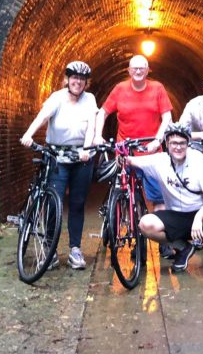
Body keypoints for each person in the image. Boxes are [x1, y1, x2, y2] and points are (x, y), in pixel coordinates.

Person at [129, 123, 203, 282]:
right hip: (177, 218)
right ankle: (183, 248)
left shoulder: (197, 159)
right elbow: (131, 161)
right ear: (167, 144)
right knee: (145, 223)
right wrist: (120, 157)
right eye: (174, 143)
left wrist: (199, 217)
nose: (178, 147)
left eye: (182, 143)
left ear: (188, 143)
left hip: (202, 216)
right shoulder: (159, 160)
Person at [20, 60, 97, 270]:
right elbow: (43, 116)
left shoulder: (89, 99)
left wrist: (87, 149)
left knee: (78, 203)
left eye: (82, 79)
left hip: (80, 156)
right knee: (54, 202)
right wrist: (28, 134)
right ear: (67, 80)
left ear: (86, 83)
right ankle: (49, 249)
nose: (78, 82)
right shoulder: (57, 97)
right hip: (57, 156)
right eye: (74, 78)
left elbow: (91, 125)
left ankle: (75, 249)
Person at [93, 54, 172, 213]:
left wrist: (158, 140)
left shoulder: (157, 88)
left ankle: (160, 230)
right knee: (122, 190)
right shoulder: (120, 89)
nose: (138, 71)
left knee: (158, 197)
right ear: (128, 70)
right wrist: (97, 135)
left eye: (142, 68)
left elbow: (167, 117)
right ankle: (120, 217)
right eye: (134, 68)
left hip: (151, 152)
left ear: (147, 70)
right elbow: (102, 112)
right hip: (125, 150)